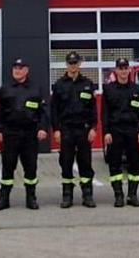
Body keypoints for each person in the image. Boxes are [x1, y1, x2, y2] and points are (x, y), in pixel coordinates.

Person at [0, 57, 48, 210]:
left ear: (26, 70)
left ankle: (31, 198)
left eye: (20, 68)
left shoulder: (35, 89)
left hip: (29, 134)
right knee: (8, 167)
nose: (17, 71)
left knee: (30, 167)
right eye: (15, 68)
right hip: (10, 133)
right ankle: (4, 198)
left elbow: (43, 112)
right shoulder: (5, 89)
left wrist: (42, 128)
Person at [50, 51, 100, 208]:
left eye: (75, 63)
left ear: (79, 64)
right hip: (66, 130)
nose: (73, 66)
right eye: (70, 63)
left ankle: (87, 195)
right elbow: (54, 110)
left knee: (85, 162)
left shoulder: (87, 84)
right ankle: (67, 195)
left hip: (84, 129)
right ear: (67, 65)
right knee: (66, 162)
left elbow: (93, 109)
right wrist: (56, 130)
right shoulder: (59, 85)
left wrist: (93, 128)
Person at [99, 58, 139, 207]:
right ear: (116, 71)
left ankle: (132, 195)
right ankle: (118, 195)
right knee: (115, 164)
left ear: (129, 70)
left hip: (132, 130)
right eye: (121, 68)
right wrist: (106, 132)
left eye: (126, 68)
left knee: (135, 164)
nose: (123, 71)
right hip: (115, 130)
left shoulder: (136, 89)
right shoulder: (109, 89)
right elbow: (105, 113)